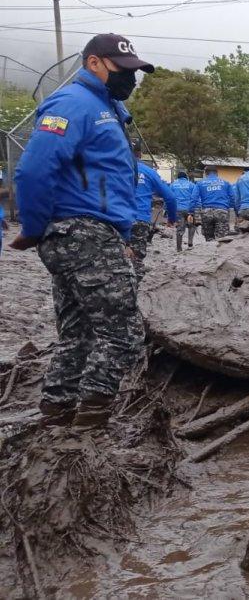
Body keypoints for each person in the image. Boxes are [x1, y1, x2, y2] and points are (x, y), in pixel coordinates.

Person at [9, 32, 155, 429]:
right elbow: (35, 169)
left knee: (79, 333)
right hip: (82, 232)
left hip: (92, 234)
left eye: (134, 71)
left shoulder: (105, 108)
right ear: (93, 63)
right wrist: (35, 228)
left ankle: (57, 416)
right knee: (122, 334)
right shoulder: (75, 104)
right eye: (122, 70)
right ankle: (90, 423)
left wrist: (120, 238)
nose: (131, 79)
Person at [131, 144, 177, 280]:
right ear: (140, 155)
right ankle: (134, 293)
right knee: (136, 261)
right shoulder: (149, 172)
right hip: (140, 220)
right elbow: (170, 197)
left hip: (115, 219)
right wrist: (171, 219)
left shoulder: (114, 168)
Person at [194, 167, 237, 240]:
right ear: (217, 173)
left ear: (206, 174)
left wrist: (191, 212)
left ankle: (210, 248)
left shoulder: (200, 183)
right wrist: (229, 207)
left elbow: (194, 198)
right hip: (222, 212)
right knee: (222, 239)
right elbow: (233, 197)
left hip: (206, 212)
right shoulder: (226, 183)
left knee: (209, 239)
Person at [169, 171, 199, 251]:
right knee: (192, 225)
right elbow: (195, 197)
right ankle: (190, 243)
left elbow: (170, 198)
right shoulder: (192, 185)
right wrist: (197, 207)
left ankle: (179, 248)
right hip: (190, 209)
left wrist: (168, 209)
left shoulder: (173, 185)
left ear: (178, 177)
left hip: (178, 209)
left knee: (180, 228)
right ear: (186, 177)